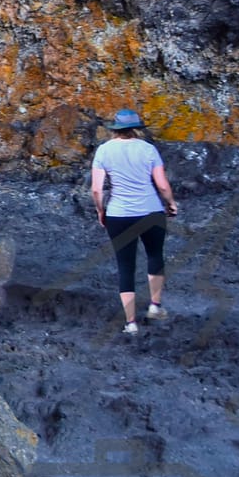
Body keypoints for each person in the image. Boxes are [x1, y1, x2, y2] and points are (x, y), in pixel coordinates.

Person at [90, 109, 180, 335]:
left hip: (118, 214)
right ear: (136, 128)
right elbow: (162, 185)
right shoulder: (148, 149)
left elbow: (96, 189)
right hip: (150, 211)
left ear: (115, 129)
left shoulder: (104, 151)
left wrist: (101, 210)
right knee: (155, 256)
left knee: (125, 266)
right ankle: (155, 306)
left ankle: (130, 323)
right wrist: (170, 203)